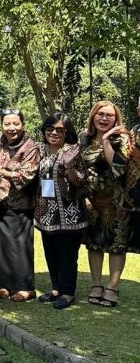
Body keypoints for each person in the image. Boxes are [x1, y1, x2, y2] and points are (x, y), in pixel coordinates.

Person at [80, 101, 132, 308]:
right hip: (91, 200)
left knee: (117, 245)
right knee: (94, 244)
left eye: (109, 115)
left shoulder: (124, 139)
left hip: (117, 202)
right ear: (93, 116)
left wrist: (107, 141)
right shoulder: (84, 138)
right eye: (100, 114)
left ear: (116, 118)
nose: (104, 118)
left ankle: (112, 286)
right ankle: (96, 284)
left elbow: (119, 169)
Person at [0, 108, 40, 301]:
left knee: (20, 246)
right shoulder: (0, 140)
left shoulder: (30, 147)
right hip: (0, 201)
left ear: (22, 125)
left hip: (21, 203)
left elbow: (26, 176)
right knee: (1, 245)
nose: (11, 128)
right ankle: (5, 285)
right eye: (7, 123)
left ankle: (26, 287)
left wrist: (0, 171)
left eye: (16, 124)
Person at [35, 112, 86, 310]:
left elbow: (78, 181)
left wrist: (69, 165)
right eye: (50, 129)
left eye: (59, 130)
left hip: (70, 213)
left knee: (67, 254)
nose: (54, 133)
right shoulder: (40, 150)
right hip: (46, 212)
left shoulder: (72, 150)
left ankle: (68, 293)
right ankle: (56, 289)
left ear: (67, 132)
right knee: (51, 252)